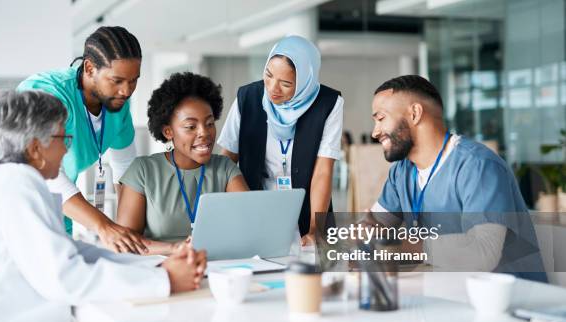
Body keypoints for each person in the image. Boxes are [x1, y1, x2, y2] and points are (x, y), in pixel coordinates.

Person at [0, 90, 206, 322]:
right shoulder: (15, 184)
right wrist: (164, 280)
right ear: (35, 147)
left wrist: (158, 266)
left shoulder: (15, 181)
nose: (66, 149)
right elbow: (64, 276)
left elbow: (75, 252)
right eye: (63, 138)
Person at [0, 26, 150, 254]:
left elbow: (125, 167)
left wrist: (127, 229)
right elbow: (39, 166)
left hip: (58, 204)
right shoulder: (48, 93)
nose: (126, 90)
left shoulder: (117, 103)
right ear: (90, 68)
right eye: (117, 80)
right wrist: (104, 226)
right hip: (11, 202)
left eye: (134, 81)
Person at [368, 75, 546, 281]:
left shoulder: (478, 165)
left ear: (415, 114)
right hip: (448, 295)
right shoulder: (402, 172)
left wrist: (405, 246)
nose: (375, 132)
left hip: (512, 301)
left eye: (381, 118)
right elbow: (374, 226)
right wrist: (364, 234)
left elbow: (483, 252)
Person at [218, 35, 344, 246]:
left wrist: (315, 228)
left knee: (312, 276)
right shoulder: (247, 97)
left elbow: (323, 171)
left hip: (308, 209)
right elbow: (226, 161)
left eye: (286, 83)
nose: (273, 88)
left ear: (305, 80)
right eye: (268, 75)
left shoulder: (328, 104)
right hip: (256, 207)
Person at [117, 72, 248, 254]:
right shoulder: (143, 170)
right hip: (160, 271)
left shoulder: (225, 168)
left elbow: (250, 225)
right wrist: (176, 248)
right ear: (168, 132)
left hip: (216, 266)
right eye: (191, 127)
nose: (204, 133)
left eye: (209, 123)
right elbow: (126, 243)